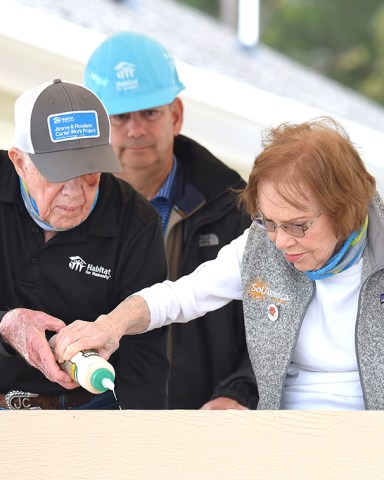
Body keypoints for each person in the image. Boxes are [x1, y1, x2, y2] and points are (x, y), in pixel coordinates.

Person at [54, 116, 384, 410]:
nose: (280, 241)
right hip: (284, 431)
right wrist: (111, 326)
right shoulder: (260, 248)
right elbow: (180, 296)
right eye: (268, 222)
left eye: (297, 225)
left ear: (346, 210)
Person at [83, 31, 258, 409]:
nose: (136, 129)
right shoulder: (69, 210)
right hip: (99, 422)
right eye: (120, 116)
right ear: (95, 125)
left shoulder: (235, 209)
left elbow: (277, 318)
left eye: (150, 112)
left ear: (175, 115)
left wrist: (239, 392)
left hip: (207, 425)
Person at [0, 79, 169, 410]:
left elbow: (145, 355)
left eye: (91, 174)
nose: (75, 194)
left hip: (87, 407)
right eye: (58, 177)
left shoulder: (135, 221)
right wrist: (6, 325)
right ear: (20, 162)